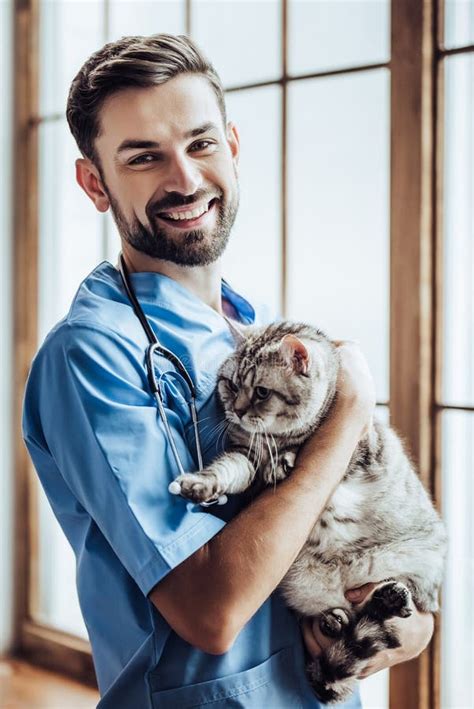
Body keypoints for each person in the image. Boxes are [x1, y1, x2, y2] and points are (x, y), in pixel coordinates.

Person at [22, 34, 433, 708]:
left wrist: (407, 623)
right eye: (144, 157)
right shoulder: (90, 354)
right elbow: (211, 610)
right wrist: (348, 415)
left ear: (233, 147)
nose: (184, 178)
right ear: (95, 183)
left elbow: (354, 520)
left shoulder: (261, 329)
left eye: (201, 143)